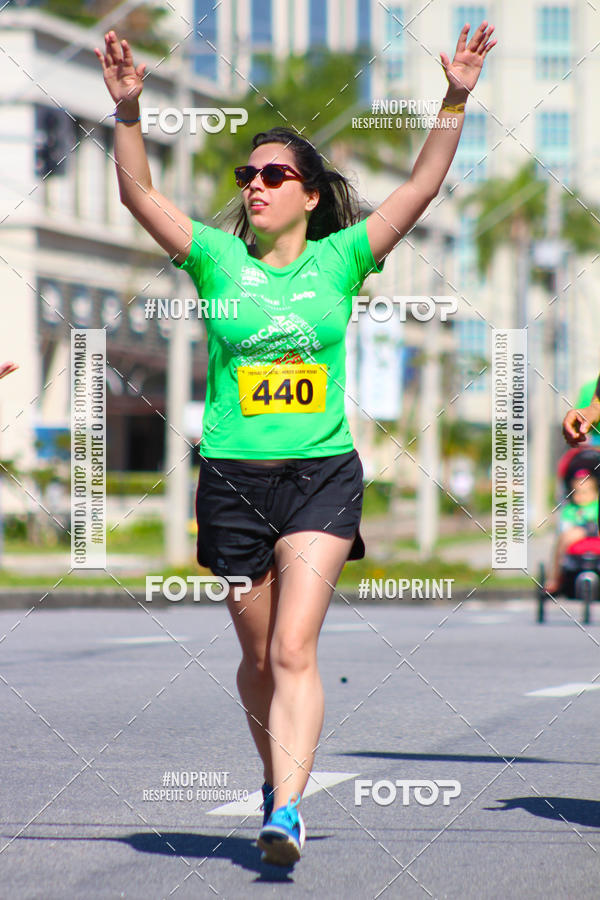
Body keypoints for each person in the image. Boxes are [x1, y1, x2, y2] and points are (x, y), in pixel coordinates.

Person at [95, 21, 496, 866]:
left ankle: (286, 811)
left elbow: (421, 186)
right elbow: (139, 196)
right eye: (249, 174)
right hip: (234, 482)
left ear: (311, 194)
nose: (257, 186)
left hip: (321, 475)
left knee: (293, 648)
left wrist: (455, 97)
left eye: (275, 174)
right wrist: (128, 111)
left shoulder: (344, 258)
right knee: (256, 658)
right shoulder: (213, 260)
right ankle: (277, 779)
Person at [544, 468, 599, 593]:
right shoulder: (570, 510)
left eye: (585, 492)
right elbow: (566, 527)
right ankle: (555, 578)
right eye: (576, 492)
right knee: (564, 537)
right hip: (575, 537)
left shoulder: (595, 506)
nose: (579, 497)